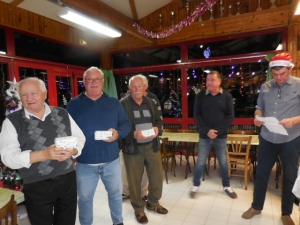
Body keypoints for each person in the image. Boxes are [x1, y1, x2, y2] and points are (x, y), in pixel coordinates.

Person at [0, 77, 86, 225]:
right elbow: (8, 157)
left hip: (67, 180)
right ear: (20, 97)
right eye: (24, 95)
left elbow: (79, 136)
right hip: (37, 185)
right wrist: (43, 155)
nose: (29, 98)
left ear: (44, 94)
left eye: (34, 93)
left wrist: (73, 150)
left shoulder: (61, 113)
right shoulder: (12, 121)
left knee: (67, 221)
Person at [66, 67, 131, 225]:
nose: (93, 82)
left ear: (103, 82)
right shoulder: (73, 104)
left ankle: (118, 222)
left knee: (115, 194)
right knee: (85, 199)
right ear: (84, 82)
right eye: (89, 79)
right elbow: (66, 130)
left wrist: (117, 133)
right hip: (84, 162)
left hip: (111, 160)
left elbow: (126, 124)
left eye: (97, 79)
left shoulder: (113, 102)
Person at [241, 53, 300, 225]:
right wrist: (257, 117)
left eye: (282, 74)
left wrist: (294, 120)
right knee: (261, 174)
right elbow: (259, 108)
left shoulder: (299, 85)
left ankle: (286, 213)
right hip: (268, 137)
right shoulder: (266, 87)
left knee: (289, 176)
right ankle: (256, 207)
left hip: (291, 139)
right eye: (275, 74)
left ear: (289, 68)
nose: (279, 78)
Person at [120, 74, 167, 224]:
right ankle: (139, 210)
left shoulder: (151, 103)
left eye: (139, 86)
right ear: (129, 88)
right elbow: (118, 126)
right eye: (133, 86)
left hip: (151, 146)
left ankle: (153, 203)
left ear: (145, 87)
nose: (136, 89)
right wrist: (133, 134)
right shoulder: (122, 104)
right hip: (133, 148)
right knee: (134, 181)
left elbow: (159, 120)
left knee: (157, 177)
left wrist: (156, 129)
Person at [191, 70, 237, 199]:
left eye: (212, 79)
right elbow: (197, 115)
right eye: (207, 80)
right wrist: (207, 131)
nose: (209, 82)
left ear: (219, 81)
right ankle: (195, 185)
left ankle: (227, 186)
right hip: (205, 135)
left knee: (223, 162)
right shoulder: (200, 96)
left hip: (220, 136)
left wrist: (217, 131)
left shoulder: (226, 96)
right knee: (200, 162)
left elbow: (230, 116)